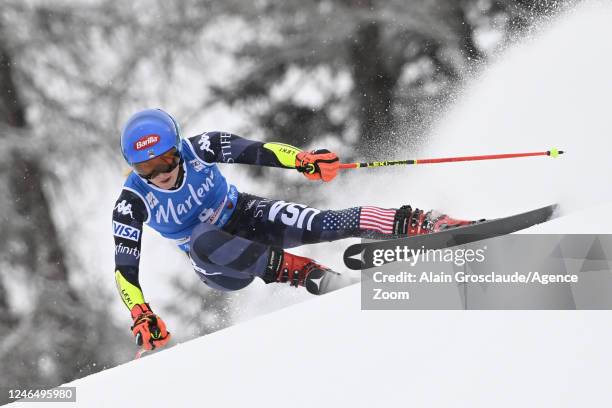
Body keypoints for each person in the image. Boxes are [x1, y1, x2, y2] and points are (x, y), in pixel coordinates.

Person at [113, 108, 476, 351]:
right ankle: (306, 274)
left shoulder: (201, 148)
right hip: (220, 265)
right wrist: (141, 313)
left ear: (178, 148)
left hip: (245, 215)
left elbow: (258, 151)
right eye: (147, 168)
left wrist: (303, 161)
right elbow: (124, 268)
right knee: (201, 238)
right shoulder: (132, 202)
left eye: (165, 159)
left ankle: (420, 223)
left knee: (321, 223)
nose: (160, 173)